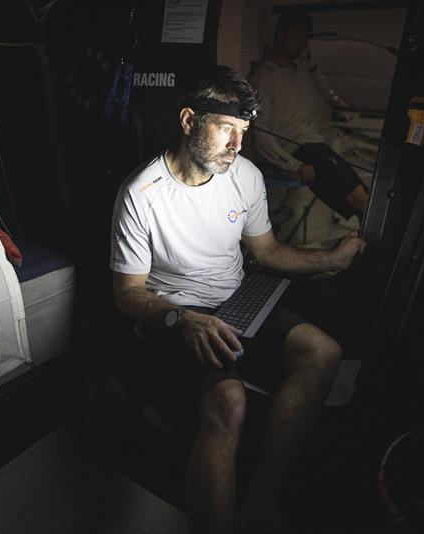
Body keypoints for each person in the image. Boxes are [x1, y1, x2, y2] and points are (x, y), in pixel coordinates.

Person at [109, 64, 367, 534]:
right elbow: (127, 294)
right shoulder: (141, 194)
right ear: (190, 122)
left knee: (324, 353)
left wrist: (334, 258)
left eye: (243, 131)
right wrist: (182, 319)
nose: (237, 145)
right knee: (229, 405)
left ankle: (258, 505)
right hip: (178, 312)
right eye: (226, 128)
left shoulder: (245, 175)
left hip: (237, 297)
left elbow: (266, 251)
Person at [250, 9, 369, 220]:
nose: (302, 41)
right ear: (280, 33)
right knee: (358, 199)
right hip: (298, 151)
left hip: (315, 146)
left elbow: (328, 92)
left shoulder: (299, 71)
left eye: (305, 37)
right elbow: (260, 132)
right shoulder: (265, 77)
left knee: (363, 193)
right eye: (297, 34)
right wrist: (295, 165)